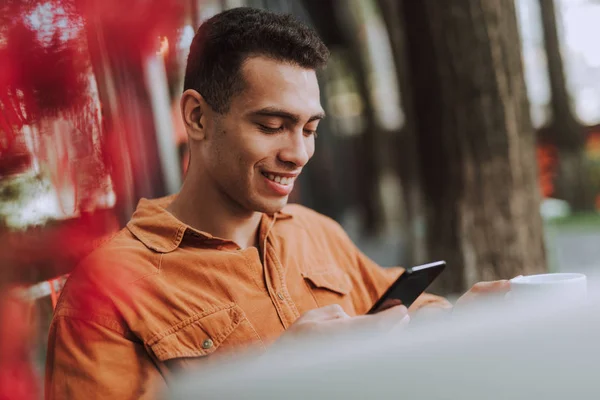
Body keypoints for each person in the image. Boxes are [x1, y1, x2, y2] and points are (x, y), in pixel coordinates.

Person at [45, 7, 509, 399]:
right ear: (197, 117)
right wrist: (278, 374)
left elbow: (401, 308)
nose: (299, 153)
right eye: (272, 125)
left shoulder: (312, 230)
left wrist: (457, 321)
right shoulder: (106, 293)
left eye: (309, 129)